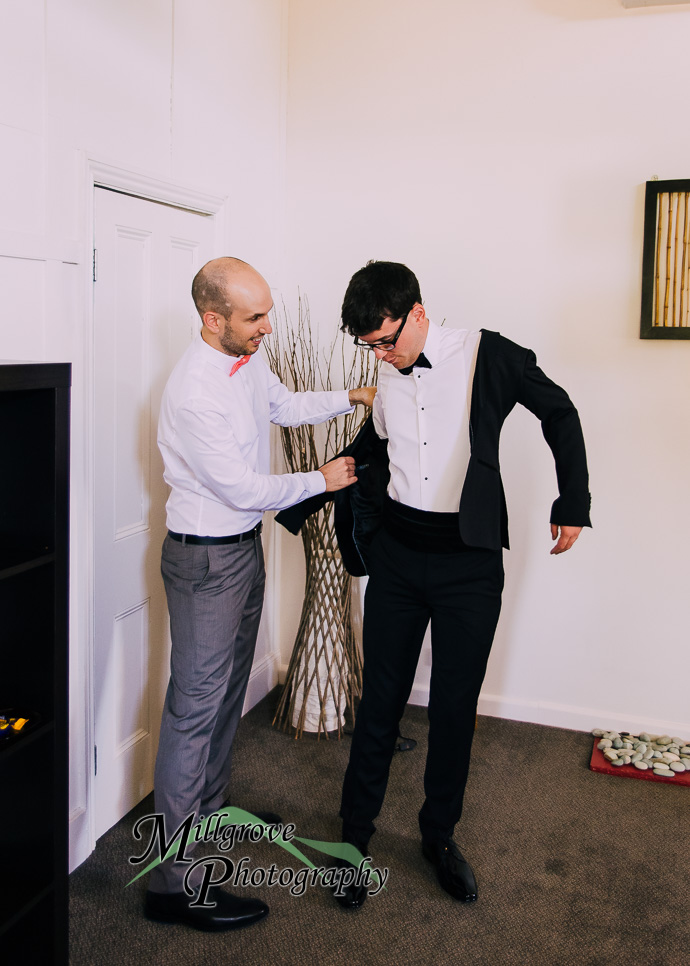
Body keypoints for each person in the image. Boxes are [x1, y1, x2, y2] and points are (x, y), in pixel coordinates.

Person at [333, 260, 591, 909]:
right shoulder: (386, 370)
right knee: (380, 704)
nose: (381, 355)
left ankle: (438, 835)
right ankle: (352, 842)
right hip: (397, 558)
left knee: (453, 707)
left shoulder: (489, 355)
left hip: (467, 565)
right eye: (369, 347)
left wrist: (573, 500)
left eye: (388, 340)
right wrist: (329, 478)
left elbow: (560, 412)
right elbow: (379, 444)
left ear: (418, 312)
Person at [145, 256, 375, 931]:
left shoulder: (245, 361)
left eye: (268, 313)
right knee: (193, 712)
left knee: (222, 699)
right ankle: (174, 887)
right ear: (213, 319)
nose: (267, 327)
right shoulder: (194, 391)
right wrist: (320, 480)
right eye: (255, 317)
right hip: (205, 562)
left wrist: (352, 396)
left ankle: (208, 821)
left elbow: (282, 404)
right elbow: (242, 489)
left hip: (240, 552)